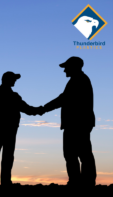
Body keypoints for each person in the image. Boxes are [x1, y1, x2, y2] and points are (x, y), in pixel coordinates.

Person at [40, 56, 96, 186]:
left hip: (77, 124)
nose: (64, 70)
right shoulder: (77, 80)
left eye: (66, 67)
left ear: (74, 67)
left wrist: (43, 108)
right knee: (78, 154)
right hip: (79, 123)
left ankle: (81, 182)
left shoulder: (79, 80)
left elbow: (62, 99)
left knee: (77, 154)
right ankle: (81, 181)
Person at [0, 71, 42, 186]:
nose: (15, 81)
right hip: (4, 129)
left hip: (7, 130)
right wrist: (39, 110)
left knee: (4, 156)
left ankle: (1, 182)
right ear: (7, 80)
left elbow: (27, 109)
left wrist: (38, 110)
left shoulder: (12, 95)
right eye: (13, 79)